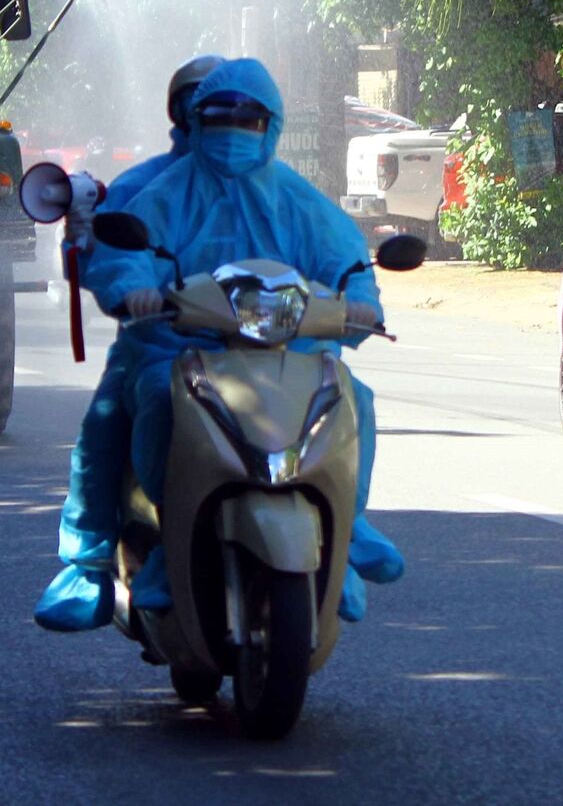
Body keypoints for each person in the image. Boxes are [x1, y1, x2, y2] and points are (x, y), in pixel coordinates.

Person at [91, 58, 404, 624]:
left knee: (355, 400)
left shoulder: (297, 198)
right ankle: (165, 546)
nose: (233, 132)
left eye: (249, 120)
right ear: (193, 121)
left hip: (290, 351)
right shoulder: (162, 192)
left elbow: (346, 259)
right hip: (182, 350)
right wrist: (135, 290)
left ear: (273, 125)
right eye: (217, 117)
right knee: (158, 404)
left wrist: (360, 304)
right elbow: (127, 252)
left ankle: (346, 534)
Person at [34, 54, 224, 632]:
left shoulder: (272, 190)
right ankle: (89, 563)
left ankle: (342, 536)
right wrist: (135, 289)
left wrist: (345, 293)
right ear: (179, 112)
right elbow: (115, 253)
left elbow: (320, 247)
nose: (219, 121)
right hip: (160, 344)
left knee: (338, 395)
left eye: (234, 111)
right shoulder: (145, 186)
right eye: (205, 107)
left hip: (261, 348)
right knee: (106, 425)